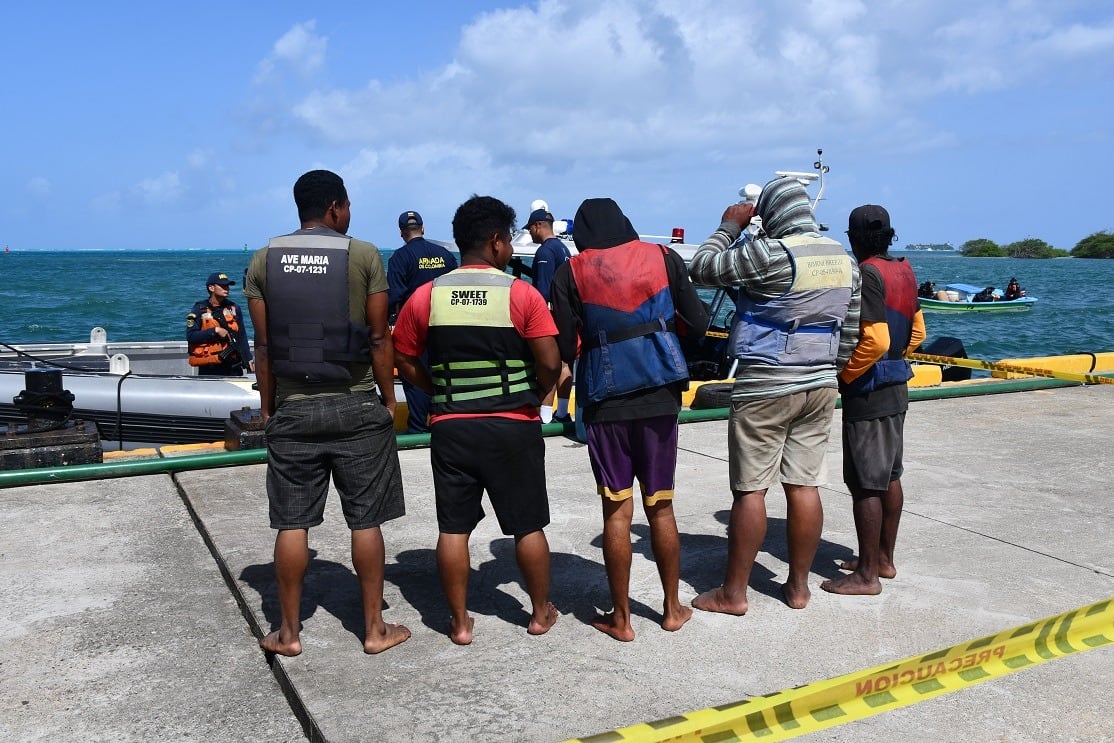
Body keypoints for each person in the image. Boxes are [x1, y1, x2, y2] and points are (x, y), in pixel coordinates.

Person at [243, 169, 410, 657]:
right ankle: (375, 630)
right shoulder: (363, 255)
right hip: (357, 401)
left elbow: (266, 346)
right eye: (349, 205)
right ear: (336, 207)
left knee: (292, 523)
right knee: (365, 521)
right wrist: (388, 398)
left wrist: (270, 408)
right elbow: (380, 337)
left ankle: (289, 633)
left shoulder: (262, 260)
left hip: (294, 408)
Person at [393, 194, 561, 645]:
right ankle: (540, 613)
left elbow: (403, 359)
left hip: (451, 426)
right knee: (527, 525)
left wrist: (437, 391)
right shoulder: (521, 294)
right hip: (513, 425)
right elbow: (550, 359)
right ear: (496, 241)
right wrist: (538, 391)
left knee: (453, 528)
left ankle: (461, 623)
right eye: (507, 240)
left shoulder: (425, 296)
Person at [687, 176, 861, 613]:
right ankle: (798, 588)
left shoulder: (768, 255)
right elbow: (852, 330)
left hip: (765, 382)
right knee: (804, 485)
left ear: (773, 213)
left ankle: (734, 594)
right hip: (820, 384)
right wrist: (827, 373)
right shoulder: (845, 261)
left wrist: (729, 226)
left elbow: (702, 268)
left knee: (751, 489)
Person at [550, 197, 709, 641]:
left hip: (605, 400)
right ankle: (673, 608)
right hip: (660, 396)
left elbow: (564, 347)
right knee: (661, 507)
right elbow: (696, 324)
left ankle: (621, 620)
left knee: (617, 513)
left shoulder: (571, 271)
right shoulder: (664, 257)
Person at [820, 205, 925, 596]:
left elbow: (876, 339)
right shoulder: (904, 269)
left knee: (865, 482)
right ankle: (882, 558)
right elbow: (917, 331)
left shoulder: (868, 274)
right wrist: (897, 359)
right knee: (890, 476)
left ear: (854, 238)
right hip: (898, 385)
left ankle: (867, 575)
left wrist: (845, 375)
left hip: (869, 391)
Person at [387, 210, 458, 433]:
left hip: (414, 327)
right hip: (444, 325)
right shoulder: (444, 255)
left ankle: (418, 426)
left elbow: (394, 295)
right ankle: (444, 418)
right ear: (423, 228)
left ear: (401, 233)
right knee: (444, 373)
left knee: (415, 376)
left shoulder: (400, 257)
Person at [525, 206, 574, 422]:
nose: (530, 233)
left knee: (546, 364)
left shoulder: (544, 252)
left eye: (530, 229)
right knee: (564, 364)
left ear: (538, 226)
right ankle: (562, 412)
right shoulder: (564, 249)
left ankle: (544, 417)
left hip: (550, 316)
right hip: (567, 314)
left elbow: (542, 292)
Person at [186, 272, 254, 376]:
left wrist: (248, 358)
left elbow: (242, 336)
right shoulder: (199, 309)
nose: (226, 288)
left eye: (227, 285)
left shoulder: (234, 308)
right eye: (222, 286)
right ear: (211, 288)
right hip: (210, 368)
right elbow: (191, 336)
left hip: (233, 366)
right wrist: (215, 331)